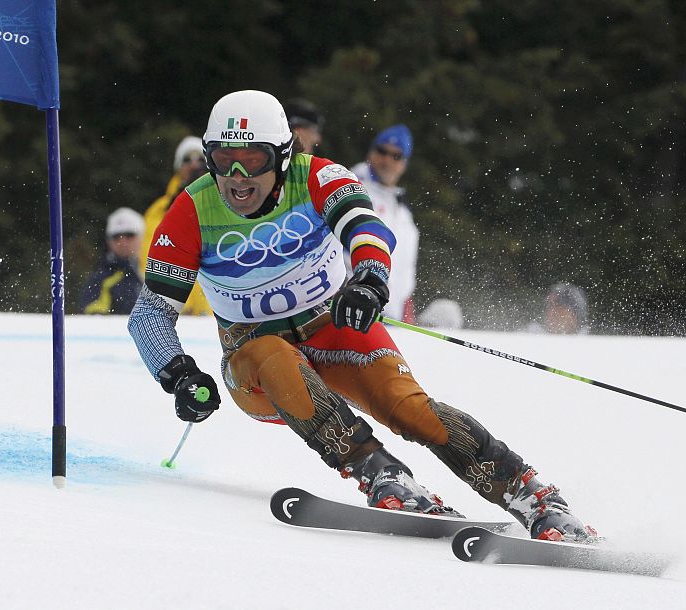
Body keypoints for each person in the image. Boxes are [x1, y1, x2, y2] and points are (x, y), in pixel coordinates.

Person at [128, 90, 595, 542]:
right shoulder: (192, 208)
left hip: (334, 331)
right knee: (270, 350)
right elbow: (149, 315)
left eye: (254, 159)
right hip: (257, 369)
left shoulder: (317, 177)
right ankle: (382, 475)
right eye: (222, 157)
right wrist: (179, 375)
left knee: (412, 410)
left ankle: (534, 499)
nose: (236, 175)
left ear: (284, 155)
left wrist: (370, 278)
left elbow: (366, 227)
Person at [350, 125, 419, 323]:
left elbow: (404, 265)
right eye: (382, 151)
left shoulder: (402, 207)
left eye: (396, 156)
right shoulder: (353, 189)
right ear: (371, 152)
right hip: (357, 308)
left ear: (404, 164)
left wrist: (405, 305)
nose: (387, 160)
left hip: (391, 317)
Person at [140, 135, 212, 315]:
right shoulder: (160, 210)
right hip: (178, 313)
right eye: (187, 160)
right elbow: (149, 258)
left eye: (201, 160)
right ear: (178, 167)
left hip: (214, 316)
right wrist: (175, 302)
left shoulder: (227, 203)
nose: (194, 165)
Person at [80, 207, 145, 315]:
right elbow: (92, 318)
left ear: (141, 237)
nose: (122, 241)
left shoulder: (156, 270)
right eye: (116, 237)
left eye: (129, 235)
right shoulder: (100, 279)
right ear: (108, 241)